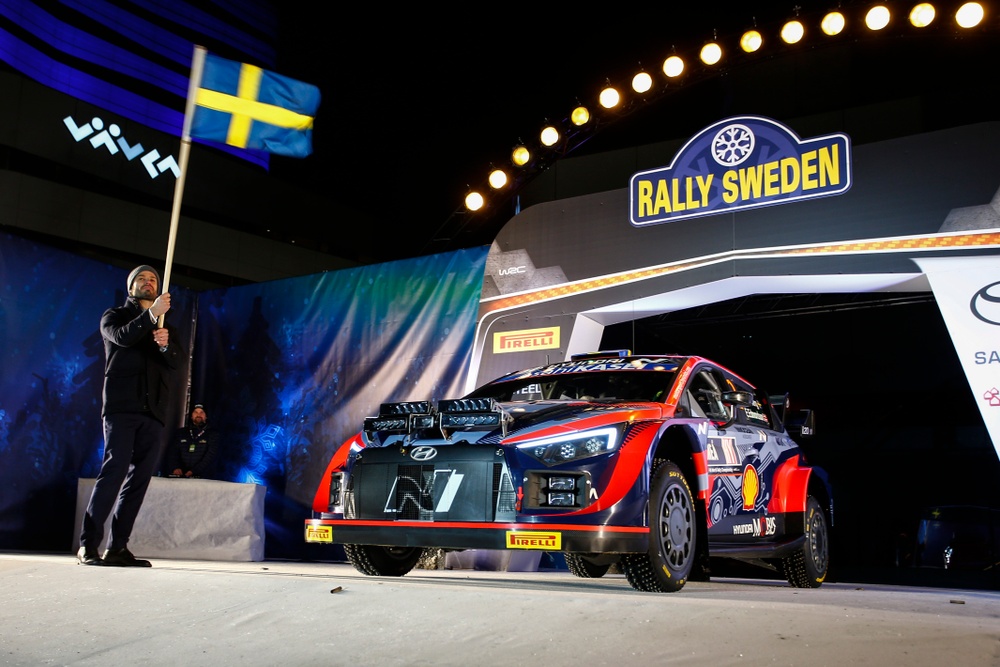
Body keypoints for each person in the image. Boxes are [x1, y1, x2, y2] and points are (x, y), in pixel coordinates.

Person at [77, 265, 185, 567]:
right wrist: (150, 317)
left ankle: (118, 547)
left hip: (153, 411)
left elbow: (176, 362)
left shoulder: (166, 327)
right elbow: (123, 338)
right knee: (114, 473)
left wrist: (165, 345)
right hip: (122, 407)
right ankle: (88, 545)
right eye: (141, 279)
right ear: (131, 287)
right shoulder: (114, 316)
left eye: (152, 279)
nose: (148, 283)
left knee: (139, 480)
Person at [166, 403, 219, 479]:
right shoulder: (180, 433)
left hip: (204, 478)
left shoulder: (213, 434)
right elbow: (173, 453)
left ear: (206, 416)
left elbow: (210, 456)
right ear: (191, 416)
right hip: (181, 477)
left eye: (201, 412)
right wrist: (175, 468)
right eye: (195, 412)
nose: (198, 415)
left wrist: (194, 471)